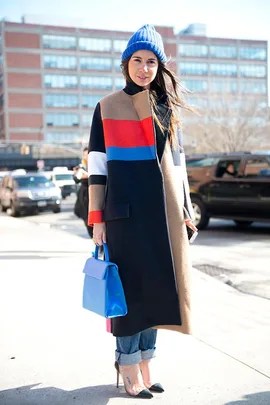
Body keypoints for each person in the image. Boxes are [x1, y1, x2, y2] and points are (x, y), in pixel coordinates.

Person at [87, 24, 197, 399]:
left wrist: (184, 208)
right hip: (124, 217)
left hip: (163, 216)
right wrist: (97, 220)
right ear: (126, 63)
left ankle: (146, 363)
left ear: (160, 67)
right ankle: (128, 366)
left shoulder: (166, 108)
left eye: (152, 61)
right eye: (138, 60)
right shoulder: (107, 107)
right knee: (129, 296)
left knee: (156, 293)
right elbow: (98, 167)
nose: (144, 68)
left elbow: (177, 163)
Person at [73, 147, 93, 238]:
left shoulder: (94, 165)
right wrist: (77, 173)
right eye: (84, 155)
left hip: (92, 194)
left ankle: (99, 246)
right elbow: (76, 179)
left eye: (87, 154)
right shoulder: (82, 166)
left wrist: (88, 176)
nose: (86, 157)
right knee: (86, 219)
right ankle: (95, 243)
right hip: (83, 196)